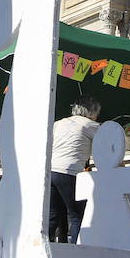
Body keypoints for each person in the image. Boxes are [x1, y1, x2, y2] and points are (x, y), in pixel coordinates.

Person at [48, 96, 100, 244]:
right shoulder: (90, 125)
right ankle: (76, 251)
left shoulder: (58, 123)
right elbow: (108, 143)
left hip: (50, 170)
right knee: (77, 215)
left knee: (53, 215)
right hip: (69, 171)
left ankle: (41, 246)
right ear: (92, 112)